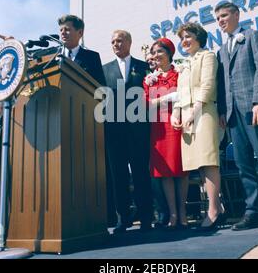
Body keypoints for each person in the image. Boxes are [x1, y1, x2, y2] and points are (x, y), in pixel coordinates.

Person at [215, 2, 258, 231]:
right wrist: (222, 111)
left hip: (254, 109)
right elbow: (222, 84)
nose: (221, 21)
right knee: (243, 165)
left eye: (224, 15)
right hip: (233, 114)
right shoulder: (222, 50)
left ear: (236, 15)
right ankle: (252, 211)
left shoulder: (252, 36)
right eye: (218, 18)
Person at [171, 23, 225, 231]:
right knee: (199, 164)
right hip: (186, 116)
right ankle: (216, 208)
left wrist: (194, 113)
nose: (184, 41)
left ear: (199, 37)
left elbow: (208, 85)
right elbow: (180, 93)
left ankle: (213, 210)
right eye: (182, 38)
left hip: (203, 112)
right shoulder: (184, 64)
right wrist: (177, 114)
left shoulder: (208, 56)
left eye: (188, 36)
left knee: (209, 161)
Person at [103, 30, 153, 233]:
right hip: (114, 132)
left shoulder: (144, 67)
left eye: (120, 40)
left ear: (129, 42)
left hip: (139, 131)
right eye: (113, 41)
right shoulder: (104, 70)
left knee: (142, 174)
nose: (116, 44)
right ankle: (123, 218)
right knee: (119, 176)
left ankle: (147, 217)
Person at [143, 38, 188, 229]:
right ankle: (173, 214)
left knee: (182, 169)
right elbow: (147, 103)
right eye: (153, 53)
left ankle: (183, 211)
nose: (156, 56)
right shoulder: (149, 79)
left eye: (159, 51)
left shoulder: (180, 72)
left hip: (178, 122)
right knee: (166, 171)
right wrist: (170, 96)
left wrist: (161, 98)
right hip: (159, 127)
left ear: (169, 53)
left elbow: (184, 94)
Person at [58, 14, 105, 86]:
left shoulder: (92, 57)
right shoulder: (53, 56)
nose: (63, 33)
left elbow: (101, 87)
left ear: (80, 32)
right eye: (61, 30)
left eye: (67, 29)